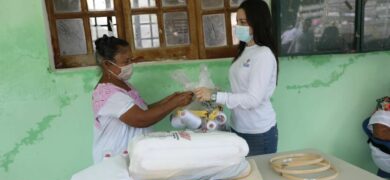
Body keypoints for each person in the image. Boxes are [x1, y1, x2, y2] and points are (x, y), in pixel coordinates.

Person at [194, 0, 278, 156]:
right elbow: (241, 90)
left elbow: (253, 99)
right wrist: (215, 92)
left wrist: (215, 96)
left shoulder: (263, 54)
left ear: (258, 22)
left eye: (243, 22)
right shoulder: (246, 49)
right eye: (237, 21)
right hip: (238, 127)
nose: (238, 26)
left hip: (258, 133)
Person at [92, 35, 193, 163]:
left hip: (135, 155)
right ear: (107, 64)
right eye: (125, 62)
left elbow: (143, 109)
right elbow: (141, 119)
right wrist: (175, 102)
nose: (130, 65)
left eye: (131, 60)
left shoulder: (125, 85)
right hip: (116, 158)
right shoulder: (107, 94)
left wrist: (170, 99)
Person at [362, 96, 390, 178]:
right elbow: (381, 132)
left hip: (380, 159)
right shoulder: (383, 116)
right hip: (386, 162)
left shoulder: (384, 107)